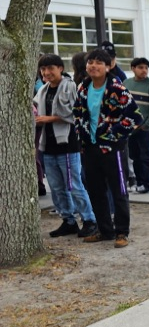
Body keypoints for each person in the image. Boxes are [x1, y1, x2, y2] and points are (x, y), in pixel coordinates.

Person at [73, 48, 142, 247]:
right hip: (89, 148)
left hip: (113, 149)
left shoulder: (117, 89)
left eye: (98, 62)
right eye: (90, 62)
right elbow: (77, 112)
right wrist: (81, 133)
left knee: (119, 191)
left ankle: (122, 232)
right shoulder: (83, 88)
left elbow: (135, 117)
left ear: (108, 66)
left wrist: (112, 134)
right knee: (95, 191)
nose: (93, 66)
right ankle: (105, 231)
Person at [33, 54, 98, 238]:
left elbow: (76, 113)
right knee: (56, 187)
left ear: (60, 68)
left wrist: (49, 118)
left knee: (74, 185)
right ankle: (68, 220)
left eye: (50, 68)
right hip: (48, 145)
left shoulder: (70, 87)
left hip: (68, 145)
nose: (46, 72)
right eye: (43, 69)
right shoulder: (44, 90)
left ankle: (89, 220)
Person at [123, 57, 149, 193]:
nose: (144, 70)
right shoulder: (126, 83)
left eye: (146, 68)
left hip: (145, 129)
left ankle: (147, 184)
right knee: (134, 156)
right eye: (140, 67)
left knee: (145, 156)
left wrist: (147, 125)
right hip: (129, 128)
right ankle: (139, 182)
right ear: (133, 68)